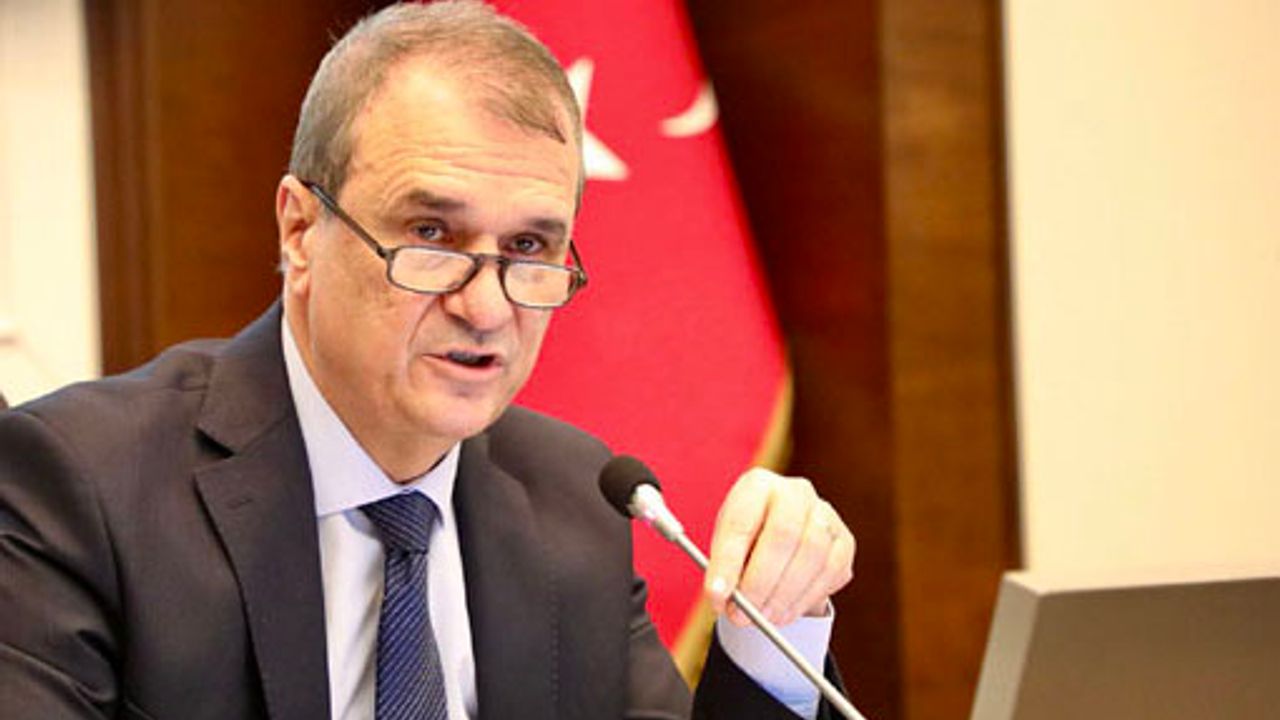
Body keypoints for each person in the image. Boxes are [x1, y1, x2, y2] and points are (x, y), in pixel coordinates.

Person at [0, 3, 855, 719]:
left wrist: (772, 626)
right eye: (432, 234)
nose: (486, 308)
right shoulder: (81, 486)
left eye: (529, 248)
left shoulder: (572, 501)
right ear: (300, 230)